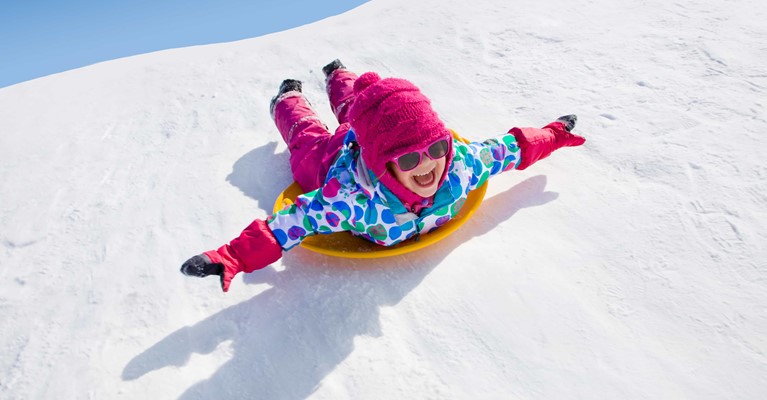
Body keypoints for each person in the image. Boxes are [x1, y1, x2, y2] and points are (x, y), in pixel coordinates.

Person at [180, 59, 586, 292]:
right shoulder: (351, 198)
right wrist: (232, 255)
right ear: (383, 164)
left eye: (436, 149)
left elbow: (510, 148)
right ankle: (287, 98)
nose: (428, 166)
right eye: (409, 160)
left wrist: (554, 133)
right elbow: (291, 223)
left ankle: (339, 75)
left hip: (370, 138)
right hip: (330, 159)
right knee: (307, 138)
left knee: (361, 105)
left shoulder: (459, 164)